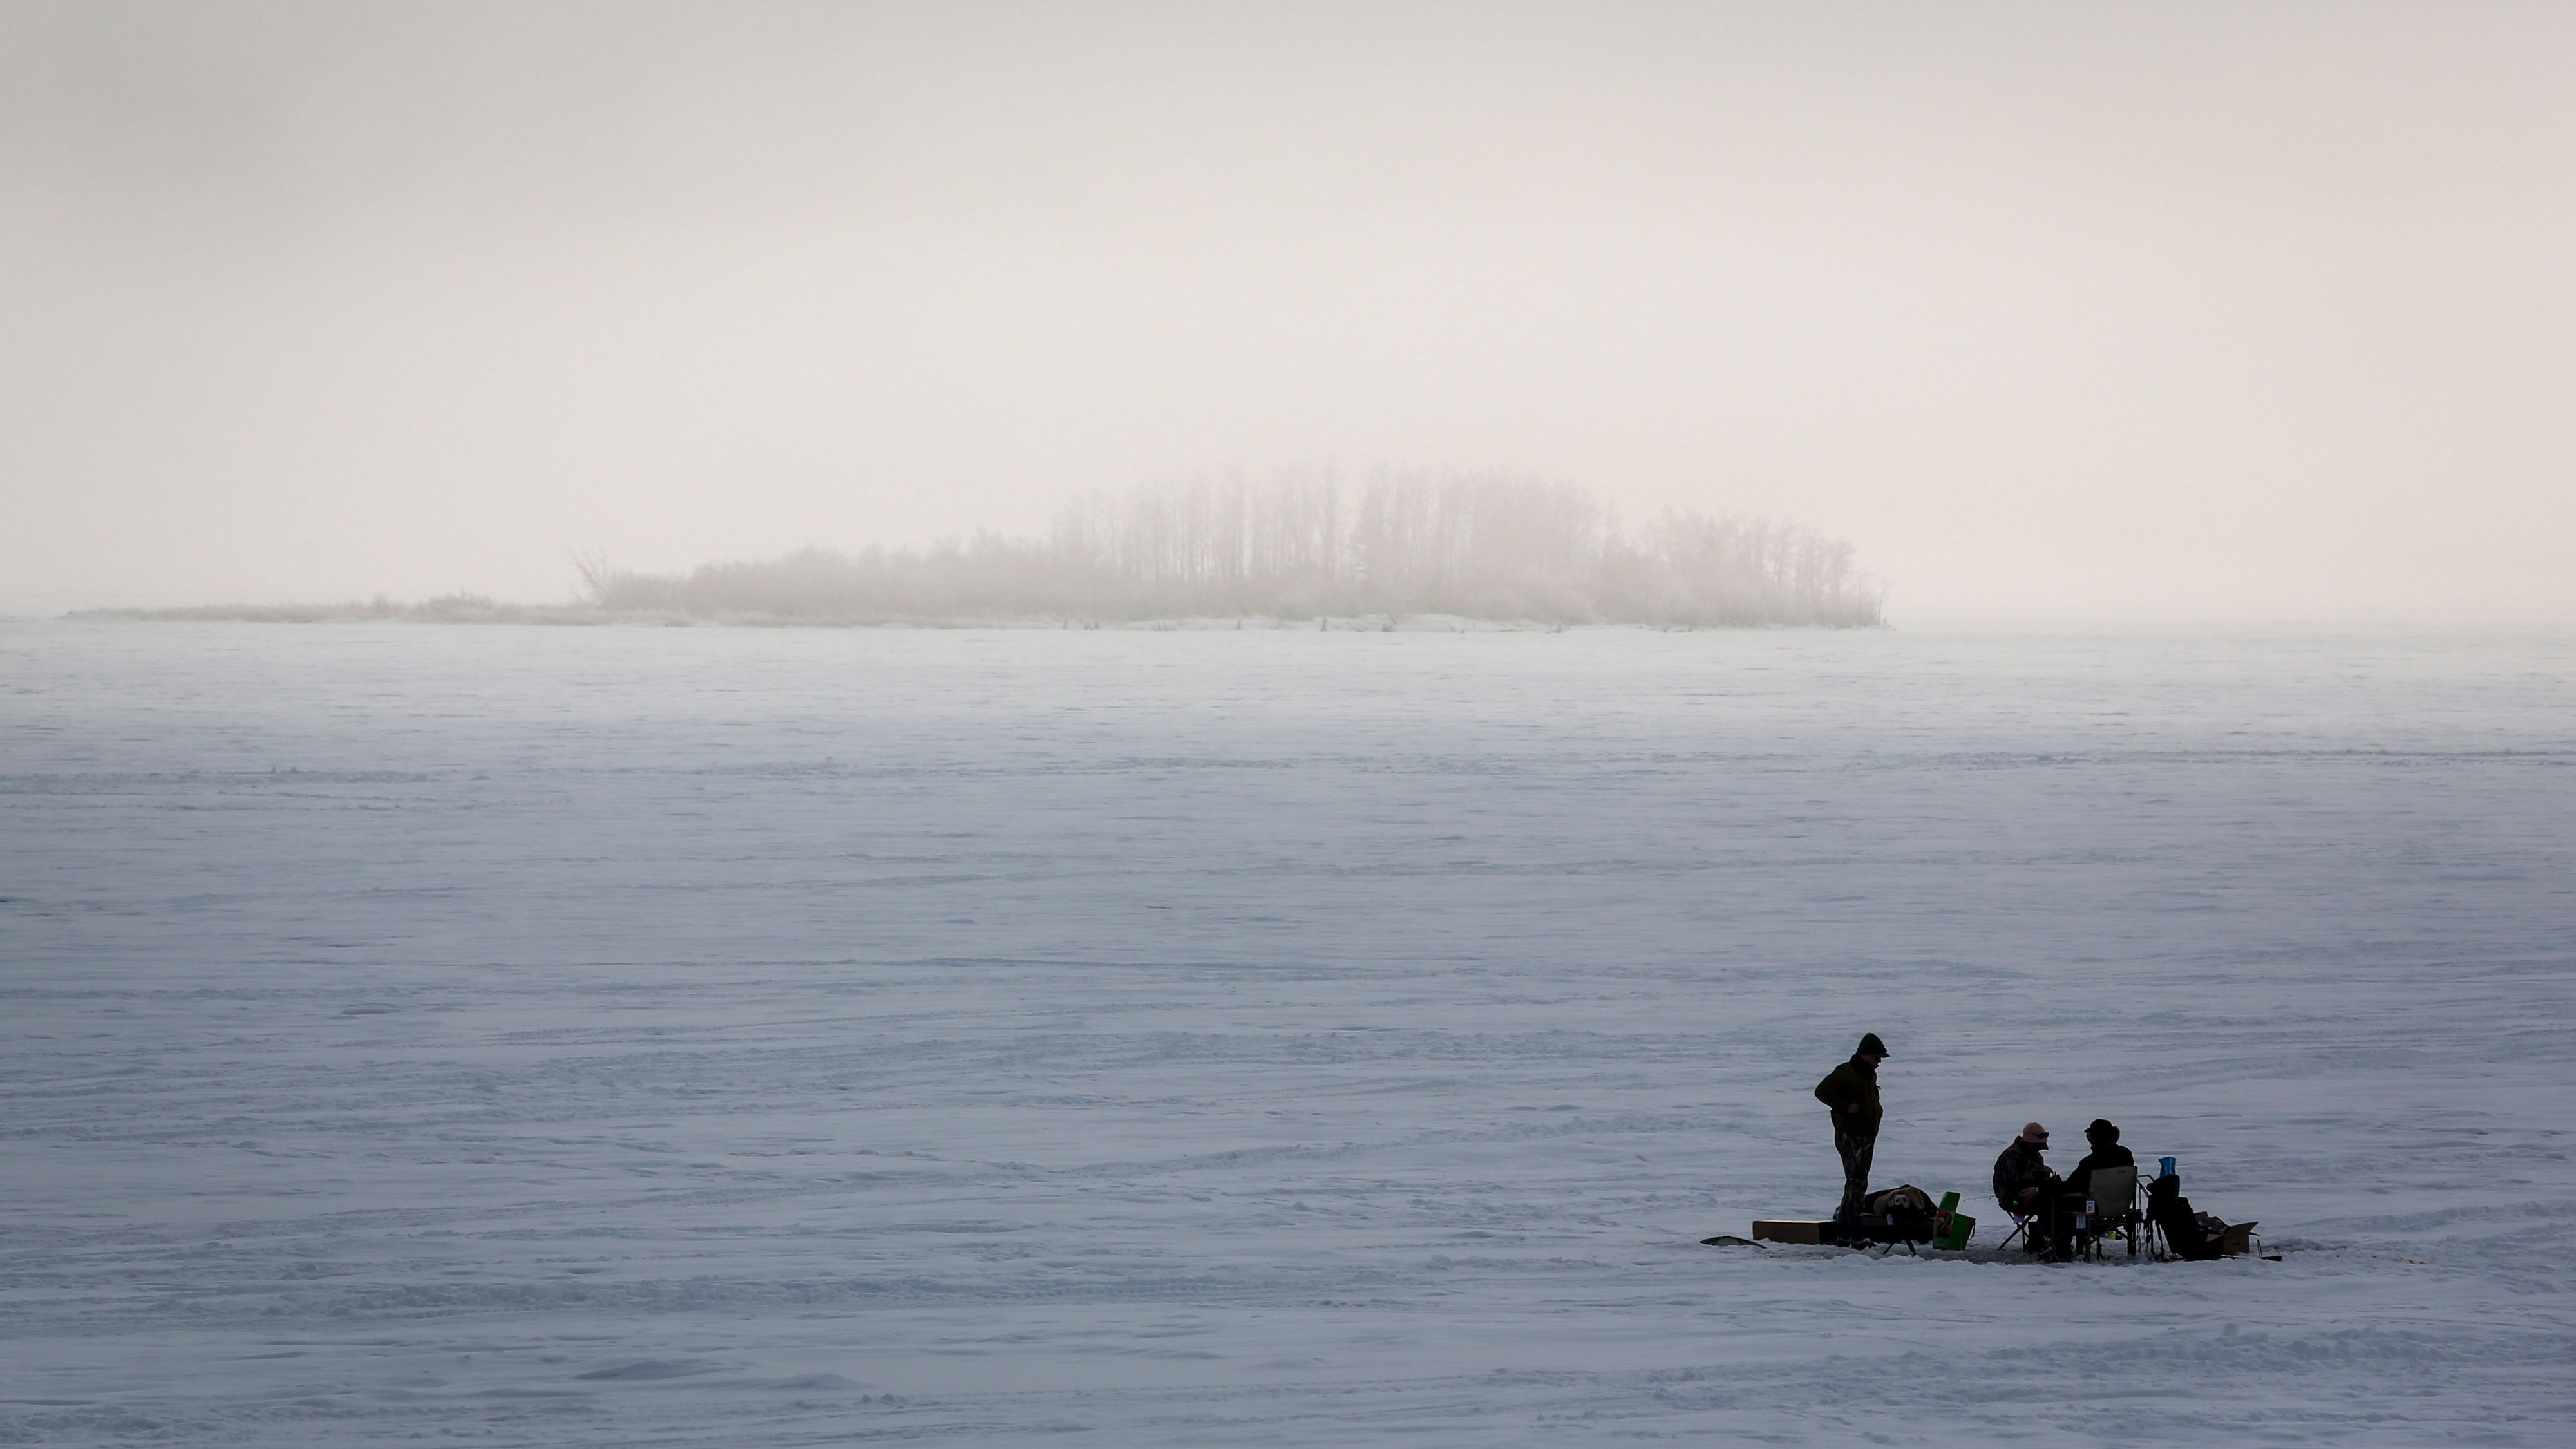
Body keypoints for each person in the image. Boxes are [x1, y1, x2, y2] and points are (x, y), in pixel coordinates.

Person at [1814, 1033, 1889, 1232]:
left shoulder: (1869, 1075)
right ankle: (1850, 1231)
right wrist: (1845, 1107)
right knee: (1857, 1181)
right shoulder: (1846, 1072)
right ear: (1866, 1055)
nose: (1879, 1062)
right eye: (1877, 1057)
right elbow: (1821, 1091)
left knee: (1858, 1183)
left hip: (1867, 1136)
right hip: (1850, 1135)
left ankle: (1849, 1229)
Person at [1993, 1122, 2071, 1256]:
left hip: (2033, 1195)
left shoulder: (2034, 1155)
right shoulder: (2012, 1155)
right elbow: (2014, 1181)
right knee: (2048, 1203)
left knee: (2058, 1199)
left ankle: (2051, 1240)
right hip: (2012, 1197)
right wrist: (2040, 1172)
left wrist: (2050, 1181)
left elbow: (2035, 1181)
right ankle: (2046, 1240)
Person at [2068, 1119, 2136, 1198]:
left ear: (2092, 1138)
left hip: (2092, 1205)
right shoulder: (2126, 1154)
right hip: (2121, 1204)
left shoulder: (2090, 1162)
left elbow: (2071, 1186)